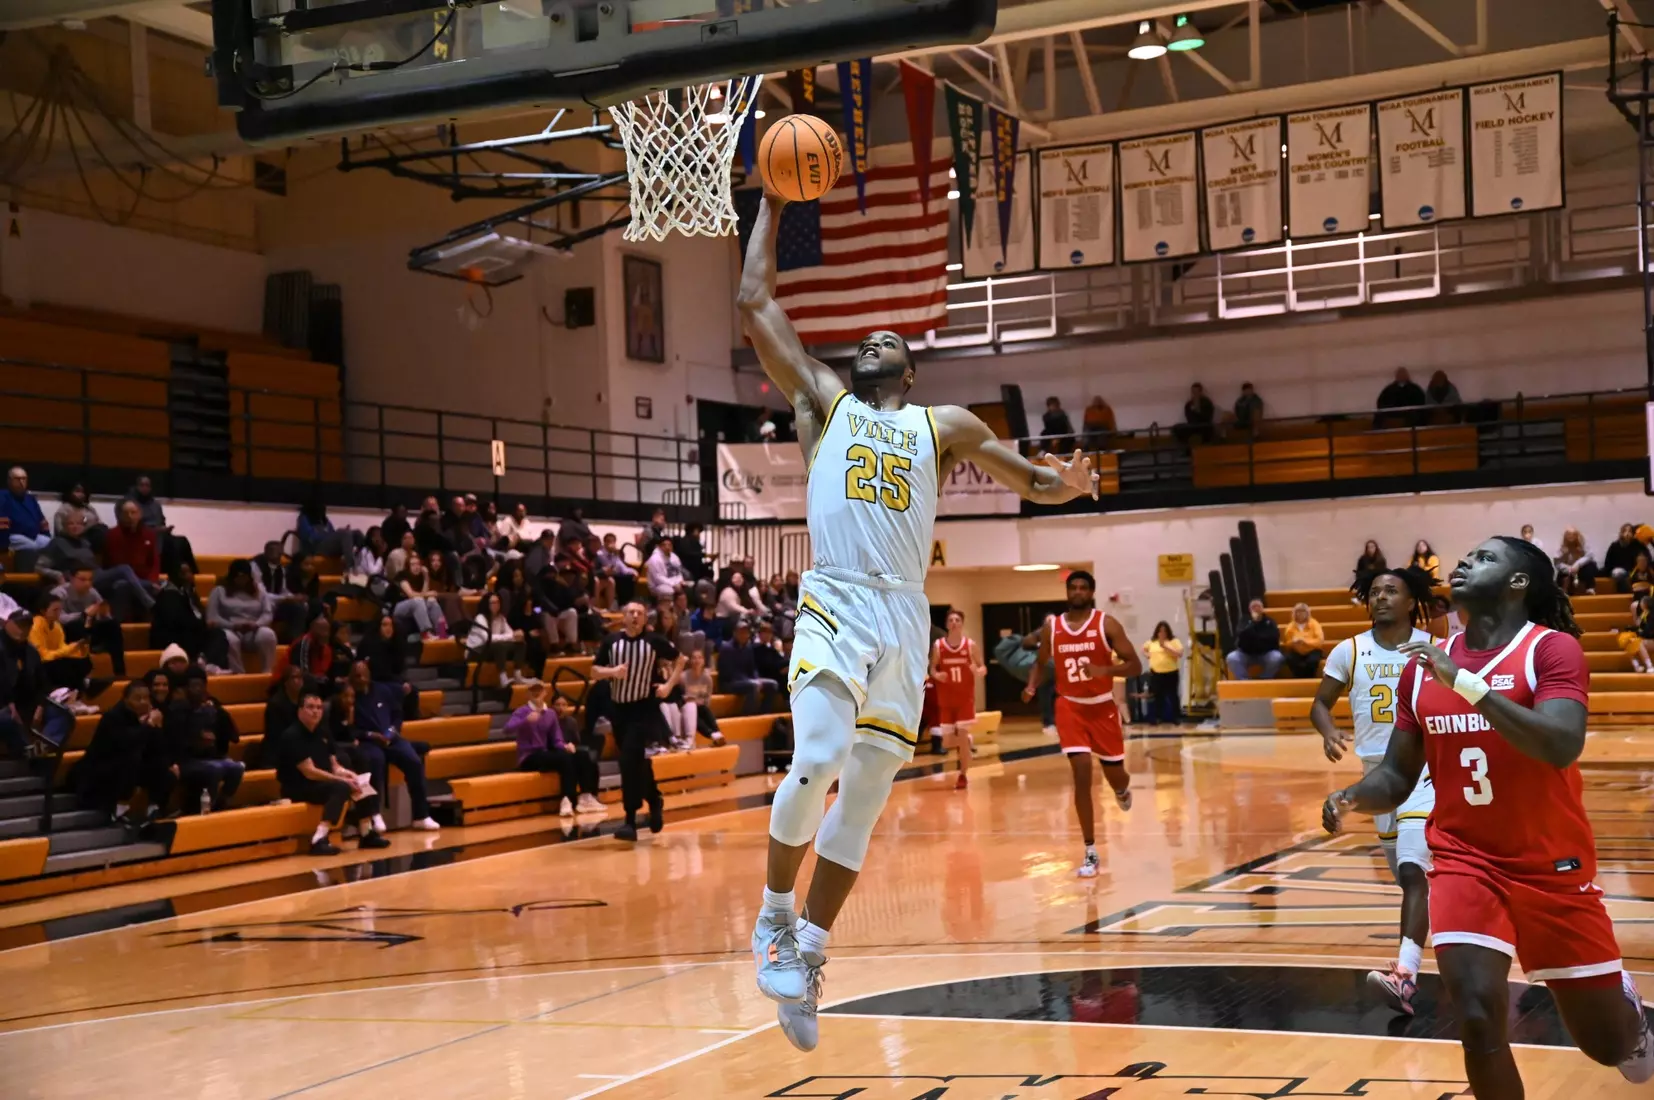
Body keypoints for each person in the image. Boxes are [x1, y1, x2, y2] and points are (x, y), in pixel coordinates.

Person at [738, 188, 1100, 1054]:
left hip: (903, 611)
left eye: (890, 342)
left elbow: (1030, 479)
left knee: (864, 796)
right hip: (836, 595)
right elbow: (754, 301)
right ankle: (774, 917)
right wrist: (771, 202)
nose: (873, 341)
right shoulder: (824, 401)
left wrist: (1068, 486)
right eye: (865, 339)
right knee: (819, 757)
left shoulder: (944, 425)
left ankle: (811, 952)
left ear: (910, 374)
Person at [1322, 537, 1654, 1093]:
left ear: (1518, 583)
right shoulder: (1421, 670)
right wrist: (1352, 796)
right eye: (1468, 556)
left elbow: (1560, 744)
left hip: (1551, 865)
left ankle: (1630, 1017)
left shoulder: (1550, 650)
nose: (1464, 563)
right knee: (1476, 1018)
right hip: (1463, 860)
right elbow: (1398, 775)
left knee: (1607, 1045)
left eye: (1484, 559)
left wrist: (1464, 683)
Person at [1310, 566, 1438, 1015]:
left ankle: (1405, 976)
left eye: (1391, 591)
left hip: (1423, 772)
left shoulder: (1431, 648)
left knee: (1413, 872)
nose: (1381, 597)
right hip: (1377, 779)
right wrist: (1328, 731)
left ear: (1411, 602)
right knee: (1410, 880)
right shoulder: (1350, 650)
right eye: (1375, 591)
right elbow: (1320, 702)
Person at [1022, 571, 1142, 877]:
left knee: (1116, 776)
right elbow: (1040, 662)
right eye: (1072, 587)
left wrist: (1103, 670)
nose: (1077, 592)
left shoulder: (1107, 624)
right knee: (1081, 772)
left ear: (1091, 592)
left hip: (1102, 708)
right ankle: (1090, 851)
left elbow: (1135, 665)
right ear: (1067, 592)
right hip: (1070, 707)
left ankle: (1122, 789)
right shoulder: (1053, 627)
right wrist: (1032, 686)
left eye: (1083, 588)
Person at [591, 602, 681, 842]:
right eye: (631, 612)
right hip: (618, 710)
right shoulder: (611, 641)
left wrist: (668, 685)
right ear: (623, 617)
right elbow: (594, 671)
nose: (635, 616)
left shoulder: (653, 640)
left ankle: (630, 820)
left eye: (639, 613)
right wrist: (613, 672)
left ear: (644, 618)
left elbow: (680, 659)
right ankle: (654, 799)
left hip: (644, 709)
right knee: (636, 761)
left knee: (627, 760)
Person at [273, 690, 389, 854]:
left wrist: (349, 775)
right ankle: (319, 839)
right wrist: (341, 780)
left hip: (321, 783)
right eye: (310, 707)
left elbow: (334, 765)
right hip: (298, 786)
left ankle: (366, 833)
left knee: (360, 782)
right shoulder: (292, 735)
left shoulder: (323, 732)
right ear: (300, 710)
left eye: (319, 708)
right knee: (341, 787)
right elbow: (309, 772)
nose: (315, 711)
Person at [346, 661, 440, 831]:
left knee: (413, 761)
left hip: (390, 738)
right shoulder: (349, 696)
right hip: (367, 741)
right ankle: (374, 814)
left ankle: (421, 815)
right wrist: (370, 735)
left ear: (369, 675)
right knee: (375, 761)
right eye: (357, 676)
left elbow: (397, 716)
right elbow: (349, 729)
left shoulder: (383, 690)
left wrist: (390, 732)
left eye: (363, 675)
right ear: (351, 678)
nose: (360, 679)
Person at [74, 679, 172, 824]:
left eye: (146, 698)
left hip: (129, 769)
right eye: (138, 698)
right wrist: (149, 725)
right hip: (101, 771)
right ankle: (118, 809)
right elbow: (126, 743)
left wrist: (157, 727)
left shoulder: (148, 716)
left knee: (163, 765)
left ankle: (154, 808)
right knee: (132, 758)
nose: (143, 702)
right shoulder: (112, 717)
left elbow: (158, 748)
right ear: (126, 700)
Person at [507, 681, 602, 817]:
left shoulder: (550, 714)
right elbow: (507, 728)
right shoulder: (522, 711)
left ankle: (585, 796)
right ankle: (568, 800)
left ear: (545, 694)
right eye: (534, 692)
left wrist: (565, 746)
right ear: (528, 694)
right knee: (565, 758)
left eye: (540, 691)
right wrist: (525, 720)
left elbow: (557, 738)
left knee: (580, 755)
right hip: (529, 756)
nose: (537, 694)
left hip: (546, 754)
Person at [163, 667, 244, 813]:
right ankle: (204, 809)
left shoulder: (212, 706)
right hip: (185, 760)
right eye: (193, 686)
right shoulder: (177, 709)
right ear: (186, 688)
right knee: (215, 769)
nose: (198, 690)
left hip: (210, 757)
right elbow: (176, 743)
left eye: (201, 685)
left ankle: (221, 804)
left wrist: (219, 712)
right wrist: (198, 741)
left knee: (237, 767)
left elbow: (235, 737)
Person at [928, 609, 984, 790]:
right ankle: (967, 742)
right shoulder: (939, 646)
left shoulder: (970, 645)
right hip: (946, 700)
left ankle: (963, 775)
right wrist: (937, 675)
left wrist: (977, 671)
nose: (954, 623)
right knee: (948, 742)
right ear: (946, 624)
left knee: (962, 736)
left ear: (962, 624)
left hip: (965, 699)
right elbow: (932, 669)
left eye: (957, 620)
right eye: (951, 620)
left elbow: (983, 668)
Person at [206, 560, 279, 675]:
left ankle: (267, 672)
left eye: (244, 577)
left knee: (268, 634)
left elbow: (267, 613)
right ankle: (239, 673)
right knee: (229, 639)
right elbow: (212, 616)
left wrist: (257, 624)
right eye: (238, 577)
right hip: (230, 628)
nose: (241, 580)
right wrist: (233, 626)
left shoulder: (259, 592)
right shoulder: (219, 591)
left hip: (253, 629)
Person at [54, 566, 126, 677]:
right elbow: (59, 618)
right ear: (71, 578)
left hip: (87, 629)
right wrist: (83, 614)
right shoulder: (59, 592)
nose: (87, 583)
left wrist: (104, 614)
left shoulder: (92, 592)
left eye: (90, 580)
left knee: (113, 625)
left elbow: (104, 613)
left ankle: (120, 672)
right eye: (83, 579)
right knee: (76, 625)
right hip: (65, 633)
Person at [358, 612, 420, 721]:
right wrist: (401, 682)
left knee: (412, 690)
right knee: (396, 690)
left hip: (390, 680)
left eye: (391, 625)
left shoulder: (396, 644)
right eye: (384, 625)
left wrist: (404, 681)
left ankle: (409, 722)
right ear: (378, 627)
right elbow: (379, 672)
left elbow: (399, 669)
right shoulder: (368, 643)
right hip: (374, 681)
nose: (388, 628)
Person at [125, 476, 194, 575]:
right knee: (170, 545)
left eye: (147, 485)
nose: (145, 488)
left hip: (159, 535)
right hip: (141, 536)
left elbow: (162, 521)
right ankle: (176, 574)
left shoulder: (156, 505)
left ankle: (194, 574)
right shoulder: (131, 505)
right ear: (137, 487)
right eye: (142, 485)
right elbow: (132, 526)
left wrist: (166, 529)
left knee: (181, 541)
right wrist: (157, 530)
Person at [0, 610, 43, 762]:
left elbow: (42, 682)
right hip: (4, 704)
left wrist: (41, 705)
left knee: (61, 713)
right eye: (19, 625)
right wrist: (9, 704)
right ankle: (28, 753)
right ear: (7, 624)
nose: (22, 630)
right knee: (7, 718)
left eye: (26, 626)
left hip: (25, 702)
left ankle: (50, 747)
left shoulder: (31, 651)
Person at [29, 592, 93, 693]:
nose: (58, 613)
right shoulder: (35, 626)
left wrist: (79, 648)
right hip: (40, 663)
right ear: (43, 611)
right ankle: (74, 692)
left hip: (54, 659)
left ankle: (80, 691)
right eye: (55, 610)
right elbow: (42, 655)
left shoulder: (57, 625)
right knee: (65, 666)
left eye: (60, 610)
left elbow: (62, 647)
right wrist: (71, 648)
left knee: (84, 661)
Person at [466, 591, 534, 686]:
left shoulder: (501, 618)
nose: (496, 605)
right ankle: (503, 678)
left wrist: (517, 636)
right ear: (487, 604)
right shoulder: (480, 618)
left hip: (491, 649)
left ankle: (518, 675)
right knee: (499, 646)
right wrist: (512, 636)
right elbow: (488, 638)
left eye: (498, 602)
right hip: (476, 651)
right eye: (493, 603)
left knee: (521, 644)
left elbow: (510, 633)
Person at [717, 619, 779, 715]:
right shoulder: (726, 648)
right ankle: (748, 715)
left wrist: (756, 678)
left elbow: (752, 668)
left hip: (746, 680)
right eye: (741, 632)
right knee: (753, 686)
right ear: (735, 633)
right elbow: (728, 673)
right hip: (729, 683)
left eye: (746, 632)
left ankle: (764, 713)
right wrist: (750, 681)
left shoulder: (748, 648)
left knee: (773, 684)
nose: (744, 635)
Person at [259, 662, 309, 769]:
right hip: (278, 752)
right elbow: (275, 736)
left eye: (300, 677)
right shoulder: (275, 704)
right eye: (294, 677)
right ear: (286, 682)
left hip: (299, 748)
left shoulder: (305, 701)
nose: (298, 681)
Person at [394, 554, 447, 642]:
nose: (416, 567)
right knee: (418, 600)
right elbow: (411, 594)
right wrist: (427, 594)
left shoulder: (420, 576)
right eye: (413, 564)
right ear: (408, 567)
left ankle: (442, 632)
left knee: (431, 601)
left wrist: (426, 577)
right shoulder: (402, 575)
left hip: (414, 605)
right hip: (397, 607)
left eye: (418, 564)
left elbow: (423, 594)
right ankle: (425, 633)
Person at [1226, 599, 1283, 679]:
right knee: (1231, 658)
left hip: (1265, 653)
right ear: (1249, 610)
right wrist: (1253, 623)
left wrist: (1254, 637)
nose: (1256, 609)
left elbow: (1274, 637)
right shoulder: (1244, 621)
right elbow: (1241, 635)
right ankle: (1245, 681)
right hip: (1246, 653)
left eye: (1258, 606)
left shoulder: (1270, 622)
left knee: (1277, 657)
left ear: (1262, 609)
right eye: (1253, 607)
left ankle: (1264, 679)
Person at [680, 648, 725, 746]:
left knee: (705, 710)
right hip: (687, 709)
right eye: (694, 658)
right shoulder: (683, 677)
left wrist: (698, 702)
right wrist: (692, 701)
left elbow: (707, 699)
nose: (697, 660)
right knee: (694, 714)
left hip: (701, 707)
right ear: (690, 661)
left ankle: (718, 734)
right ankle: (713, 735)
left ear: (703, 661)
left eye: (699, 658)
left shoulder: (707, 679)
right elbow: (680, 698)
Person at [1140, 622, 1183, 726]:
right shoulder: (1152, 642)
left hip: (1171, 673)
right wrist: (1147, 654)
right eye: (1160, 631)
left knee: (1173, 695)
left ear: (1168, 632)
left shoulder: (1174, 641)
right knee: (1158, 696)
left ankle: (1176, 717)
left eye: (1164, 631)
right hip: (1156, 673)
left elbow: (1179, 654)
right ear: (1157, 632)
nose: (1162, 633)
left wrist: (1165, 646)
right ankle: (1158, 717)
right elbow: (1143, 649)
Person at [1, 466, 52, 553]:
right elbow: (2, 524)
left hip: (34, 535)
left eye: (24, 479)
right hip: (13, 536)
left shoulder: (30, 498)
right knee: (32, 547)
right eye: (17, 479)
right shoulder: (2, 497)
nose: (21, 482)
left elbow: (42, 521)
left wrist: (46, 536)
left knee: (51, 544)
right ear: (9, 481)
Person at [1281, 602, 1326, 679]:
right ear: (1294, 613)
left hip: (1312, 650)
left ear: (1307, 613)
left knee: (1312, 661)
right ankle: (1298, 679)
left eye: (1303, 611)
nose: (1301, 614)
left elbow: (1319, 640)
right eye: (1298, 611)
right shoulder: (1290, 627)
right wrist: (1293, 643)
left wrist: (1305, 642)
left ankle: (1310, 679)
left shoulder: (1314, 624)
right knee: (1291, 659)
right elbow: (1287, 643)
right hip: (1296, 651)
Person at [53, 484, 106, 548]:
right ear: (70, 493)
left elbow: (99, 523)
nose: (80, 494)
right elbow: (60, 531)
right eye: (77, 491)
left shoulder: (89, 508)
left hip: (94, 537)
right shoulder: (64, 510)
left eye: (82, 492)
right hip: (75, 540)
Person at [1603, 523, 1649, 594]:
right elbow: (1608, 562)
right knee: (1617, 573)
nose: (1627, 534)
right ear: (1621, 533)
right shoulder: (1615, 545)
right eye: (1625, 531)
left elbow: (1646, 558)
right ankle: (1627, 591)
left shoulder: (1638, 545)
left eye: (1629, 531)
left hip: (1634, 571)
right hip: (1620, 571)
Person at [1554, 526, 1599, 595]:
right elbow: (1557, 562)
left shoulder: (1583, 543)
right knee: (1561, 575)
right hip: (1568, 570)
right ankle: (1562, 593)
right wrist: (1568, 568)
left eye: (1573, 534)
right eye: (1569, 534)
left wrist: (1578, 564)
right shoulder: (1561, 547)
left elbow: (1589, 556)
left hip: (1582, 568)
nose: (1571, 537)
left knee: (1590, 565)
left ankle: (1590, 589)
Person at [645, 536, 685, 602]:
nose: (667, 547)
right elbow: (658, 578)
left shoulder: (674, 557)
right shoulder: (655, 559)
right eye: (664, 545)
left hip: (674, 583)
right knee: (668, 591)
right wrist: (673, 584)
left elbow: (678, 572)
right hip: (658, 585)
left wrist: (680, 581)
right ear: (659, 547)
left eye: (669, 545)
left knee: (688, 588)